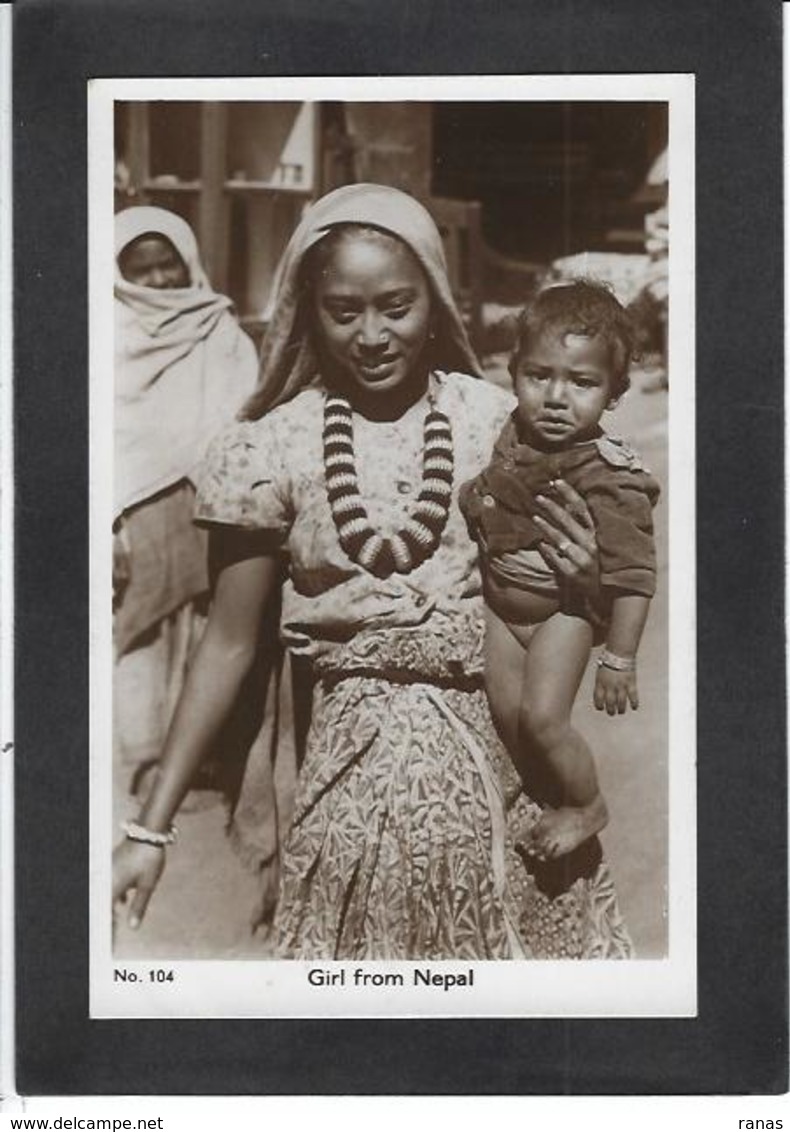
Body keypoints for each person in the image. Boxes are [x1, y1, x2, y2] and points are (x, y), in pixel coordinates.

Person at [113, 184, 633, 960]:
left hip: (502, 763)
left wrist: (587, 581)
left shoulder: (501, 423)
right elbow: (226, 645)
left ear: (436, 299)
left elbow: (562, 589)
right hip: (351, 775)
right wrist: (147, 829)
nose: (372, 335)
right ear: (306, 308)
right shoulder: (269, 448)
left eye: (396, 305)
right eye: (343, 310)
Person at [460, 281, 660, 861]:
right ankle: (544, 796)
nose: (554, 397)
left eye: (582, 382)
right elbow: (500, 487)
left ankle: (588, 803)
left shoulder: (608, 475)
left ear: (614, 392)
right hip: (503, 610)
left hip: (561, 614)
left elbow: (634, 574)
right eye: (538, 375)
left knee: (544, 719)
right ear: (513, 370)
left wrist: (619, 657)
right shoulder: (513, 431)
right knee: (507, 717)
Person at [113, 206, 258, 800]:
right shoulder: (104, 332)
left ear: (188, 262)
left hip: (211, 497)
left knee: (210, 628)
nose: (158, 280)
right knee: (140, 633)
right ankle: (148, 757)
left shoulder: (220, 329)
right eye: (140, 269)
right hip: (134, 509)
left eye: (167, 264)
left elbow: (246, 410)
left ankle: (198, 753)